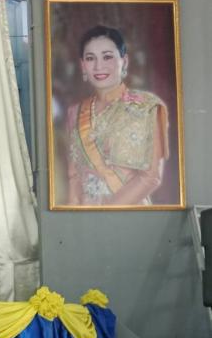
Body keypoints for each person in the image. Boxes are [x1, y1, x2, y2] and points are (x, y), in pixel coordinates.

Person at [65, 25, 170, 207]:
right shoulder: (74, 112)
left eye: (107, 57)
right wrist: (73, 216)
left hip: (129, 213)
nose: (98, 66)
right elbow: (74, 177)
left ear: (124, 61)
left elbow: (151, 177)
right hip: (86, 215)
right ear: (83, 65)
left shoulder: (146, 107)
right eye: (90, 58)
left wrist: (107, 213)